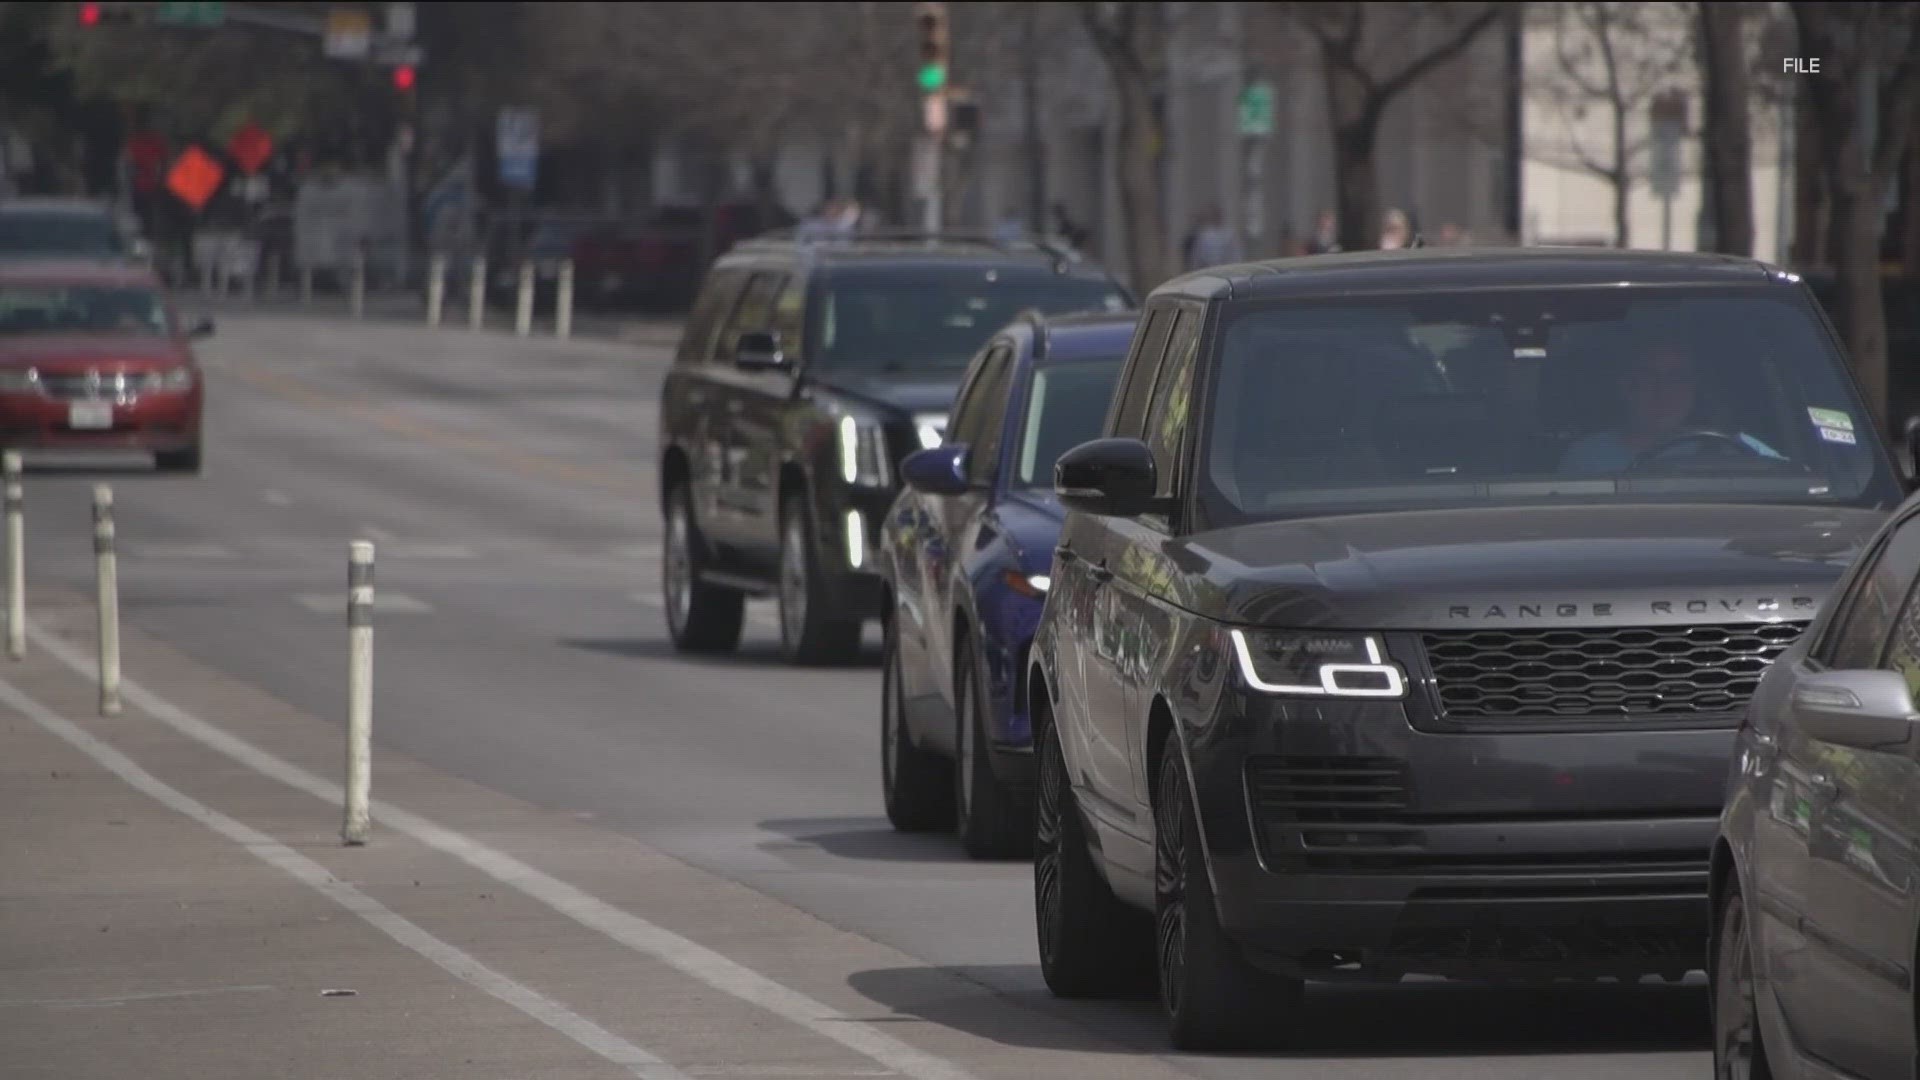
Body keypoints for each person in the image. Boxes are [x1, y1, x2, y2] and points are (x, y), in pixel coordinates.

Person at [1559, 342, 1783, 476]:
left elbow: (1790, 478)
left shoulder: (1735, 448)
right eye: (1649, 376)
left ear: (1695, 387)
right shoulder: (1587, 458)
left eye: (1677, 377)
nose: (1663, 389)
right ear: (1626, 385)